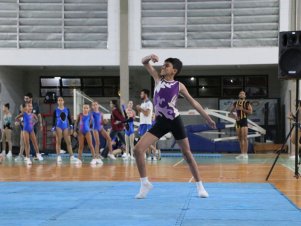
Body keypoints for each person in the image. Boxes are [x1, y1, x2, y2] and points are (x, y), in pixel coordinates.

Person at [133, 54, 216, 199]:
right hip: (161, 122)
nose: (163, 67)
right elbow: (144, 62)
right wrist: (149, 57)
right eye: (163, 65)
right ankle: (144, 183)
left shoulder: (179, 86)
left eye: (167, 66)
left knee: (187, 154)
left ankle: (200, 186)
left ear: (174, 71)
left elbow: (194, 102)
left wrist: (207, 117)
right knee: (138, 149)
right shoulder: (157, 79)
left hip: (174, 120)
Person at [52, 97, 81, 164]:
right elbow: (53, 121)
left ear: (63, 101)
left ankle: (72, 156)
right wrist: (53, 129)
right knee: (58, 142)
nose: (60, 101)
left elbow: (70, 120)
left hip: (66, 127)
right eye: (59, 100)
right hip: (58, 127)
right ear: (57, 102)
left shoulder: (67, 109)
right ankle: (58, 156)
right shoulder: (55, 110)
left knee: (69, 142)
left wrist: (71, 128)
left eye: (61, 100)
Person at [229, 91, 253, 160]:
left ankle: (246, 154)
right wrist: (235, 117)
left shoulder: (247, 103)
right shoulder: (235, 103)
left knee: (244, 137)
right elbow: (230, 112)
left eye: (243, 94)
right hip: (238, 121)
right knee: (239, 138)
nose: (241, 94)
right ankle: (242, 153)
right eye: (240, 93)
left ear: (245, 96)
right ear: (239, 95)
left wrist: (242, 109)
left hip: (244, 121)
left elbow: (250, 112)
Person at [136, 89, 155, 161]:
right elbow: (141, 114)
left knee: (145, 141)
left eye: (141, 94)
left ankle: (155, 152)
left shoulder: (149, 103)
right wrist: (139, 110)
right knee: (142, 141)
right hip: (142, 124)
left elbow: (147, 114)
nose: (140, 95)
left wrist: (140, 108)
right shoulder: (142, 103)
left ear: (145, 95)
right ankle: (147, 155)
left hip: (147, 124)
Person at [23, 93, 43, 158]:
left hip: (33, 127)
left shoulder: (36, 105)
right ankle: (29, 155)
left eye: (27, 98)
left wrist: (40, 124)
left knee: (33, 141)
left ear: (31, 98)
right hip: (25, 127)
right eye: (25, 98)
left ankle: (35, 154)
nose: (26, 100)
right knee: (26, 142)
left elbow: (39, 115)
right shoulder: (24, 106)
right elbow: (21, 116)